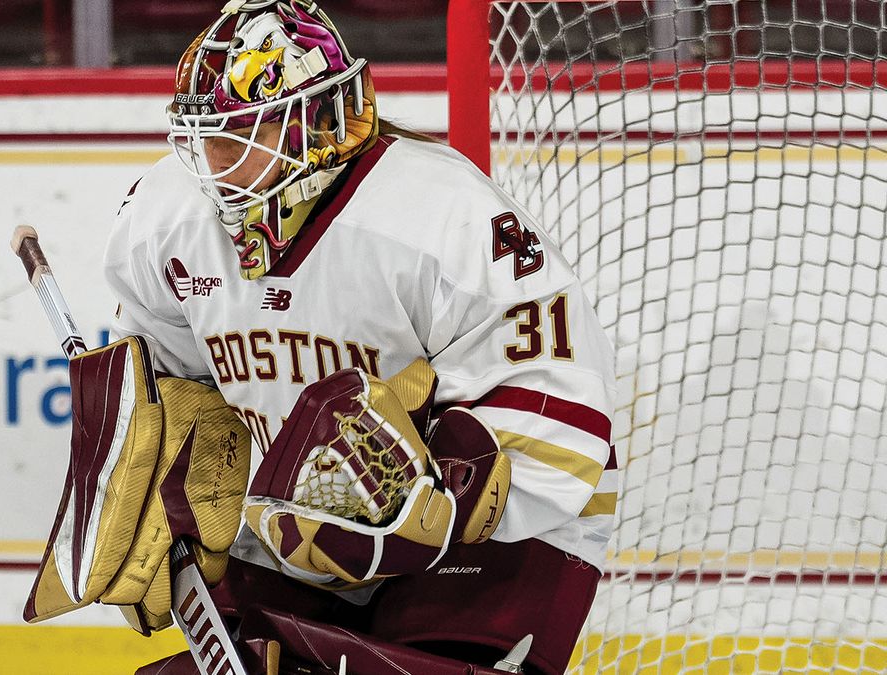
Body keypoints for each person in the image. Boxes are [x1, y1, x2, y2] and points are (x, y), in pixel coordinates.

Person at [102, 1, 618, 672]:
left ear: (313, 123)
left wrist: (441, 493)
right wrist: (163, 476)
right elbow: (167, 377)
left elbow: (563, 400)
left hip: (501, 527)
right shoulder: (165, 218)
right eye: (205, 137)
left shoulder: (443, 217)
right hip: (299, 526)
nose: (214, 163)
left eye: (240, 135)